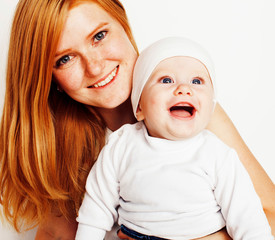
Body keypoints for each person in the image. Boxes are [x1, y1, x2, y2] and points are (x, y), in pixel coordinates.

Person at [0, 0, 274, 239]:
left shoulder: (186, 111)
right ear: (51, 80)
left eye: (99, 36)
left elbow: (269, 214)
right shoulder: (62, 139)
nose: (95, 67)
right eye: (66, 59)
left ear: (123, 23)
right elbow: (57, 233)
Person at [75, 37, 274, 240]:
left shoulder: (217, 154)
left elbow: (248, 220)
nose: (184, 88)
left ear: (210, 109)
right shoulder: (122, 145)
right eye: (166, 80)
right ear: (140, 107)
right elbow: (96, 209)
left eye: (197, 81)